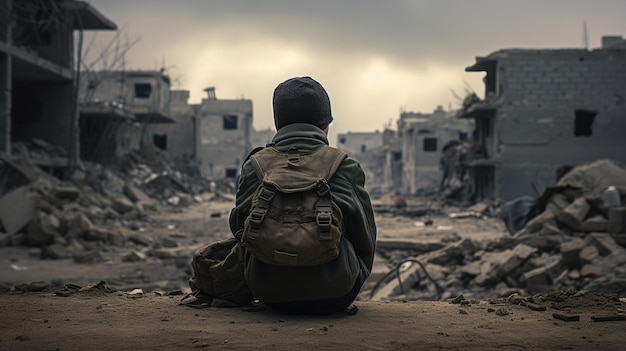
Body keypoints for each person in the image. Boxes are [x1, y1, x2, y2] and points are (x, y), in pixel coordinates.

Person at [229, 76, 377, 315]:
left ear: (279, 125)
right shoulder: (345, 166)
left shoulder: (255, 165)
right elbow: (365, 238)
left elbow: (238, 227)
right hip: (337, 293)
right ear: (325, 125)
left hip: (267, 292)